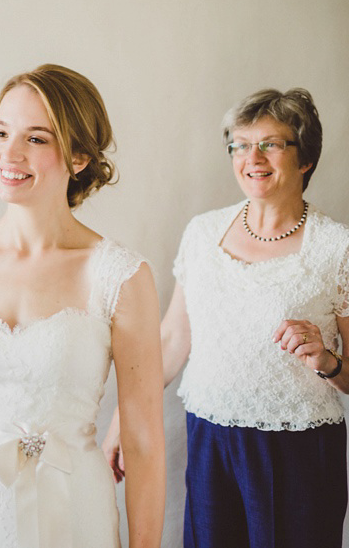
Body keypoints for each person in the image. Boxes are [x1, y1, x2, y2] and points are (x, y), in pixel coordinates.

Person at [0, 64, 165, 548]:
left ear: (79, 155)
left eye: (36, 139)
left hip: (73, 508)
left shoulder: (119, 276)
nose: (9, 154)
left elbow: (143, 440)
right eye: (1, 133)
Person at [103, 87, 349, 547]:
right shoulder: (203, 233)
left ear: (305, 158)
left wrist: (328, 362)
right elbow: (174, 339)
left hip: (295, 448)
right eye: (240, 145)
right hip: (209, 438)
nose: (252, 157)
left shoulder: (337, 248)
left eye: (271, 143)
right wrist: (124, 416)